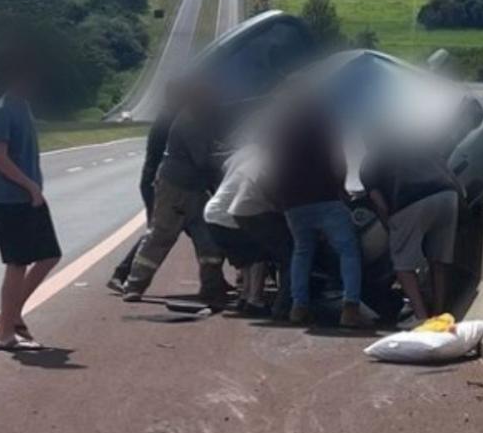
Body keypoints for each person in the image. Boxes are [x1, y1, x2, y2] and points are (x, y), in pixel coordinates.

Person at [119, 77, 232, 307]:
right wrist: (228, 158)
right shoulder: (190, 121)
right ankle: (134, 284)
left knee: (209, 240)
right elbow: (202, 160)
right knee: (161, 235)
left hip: (195, 189)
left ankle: (212, 288)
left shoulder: (199, 120)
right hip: (176, 188)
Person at [271, 97, 369, 329]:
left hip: (293, 202)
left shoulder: (280, 127)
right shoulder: (324, 122)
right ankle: (350, 306)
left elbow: (273, 166)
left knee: (302, 251)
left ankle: (299, 306)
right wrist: (341, 190)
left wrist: (281, 200)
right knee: (348, 250)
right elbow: (338, 161)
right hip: (324, 197)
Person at [0, 53, 61, 353]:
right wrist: (30, 186)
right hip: (12, 198)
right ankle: (5, 334)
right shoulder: (3, 110)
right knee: (17, 263)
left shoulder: (23, 106)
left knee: (49, 256)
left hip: (29, 197)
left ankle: (10, 315)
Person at [359, 144, 461, 324]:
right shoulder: (417, 144)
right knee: (439, 260)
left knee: (402, 265)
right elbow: (449, 171)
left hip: (411, 201)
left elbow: (380, 204)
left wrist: (391, 228)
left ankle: (422, 318)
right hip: (448, 196)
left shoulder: (369, 163)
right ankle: (439, 315)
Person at [203, 139, 289, 315]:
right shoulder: (264, 160)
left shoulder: (245, 153)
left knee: (246, 258)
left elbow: (225, 167)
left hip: (212, 213)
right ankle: (254, 300)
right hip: (227, 215)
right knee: (259, 253)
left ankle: (245, 296)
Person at [106, 84, 178, 293]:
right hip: (157, 183)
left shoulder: (167, 117)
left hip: (157, 182)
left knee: (167, 231)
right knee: (156, 232)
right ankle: (123, 273)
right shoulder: (170, 121)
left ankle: (214, 279)